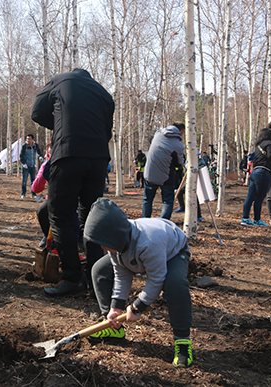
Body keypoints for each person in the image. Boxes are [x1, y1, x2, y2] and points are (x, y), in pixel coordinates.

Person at [31, 68, 114, 297]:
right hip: (98, 159)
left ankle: (72, 278)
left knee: (60, 215)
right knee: (91, 217)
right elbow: (107, 130)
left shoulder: (59, 80)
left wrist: (61, 125)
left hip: (68, 154)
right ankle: (97, 279)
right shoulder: (104, 93)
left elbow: (37, 112)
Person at [84, 198, 193, 368]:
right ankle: (114, 326)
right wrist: (116, 307)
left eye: (103, 243)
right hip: (136, 253)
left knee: (175, 285)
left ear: (114, 235)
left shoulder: (149, 242)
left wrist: (137, 307)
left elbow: (157, 279)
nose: (102, 247)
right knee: (99, 271)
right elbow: (121, 273)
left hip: (173, 252)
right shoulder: (116, 243)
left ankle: (183, 342)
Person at [142, 122, 185, 220]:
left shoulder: (158, 134)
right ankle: (163, 223)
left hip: (150, 173)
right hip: (166, 176)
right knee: (168, 201)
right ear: (181, 132)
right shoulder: (178, 145)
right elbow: (179, 163)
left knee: (147, 199)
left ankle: (144, 221)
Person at [241, 128, 271, 227]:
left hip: (254, 173)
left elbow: (251, 157)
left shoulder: (258, 146)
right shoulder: (270, 144)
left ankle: (245, 218)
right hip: (263, 173)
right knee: (259, 199)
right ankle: (257, 220)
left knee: (250, 197)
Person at [19, 134, 43, 199]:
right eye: (27, 139)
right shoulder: (24, 146)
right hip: (26, 166)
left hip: (32, 166)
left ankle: (33, 194)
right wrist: (24, 163)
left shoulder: (35, 145)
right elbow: (21, 156)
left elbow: (39, 152)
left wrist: (40, 157)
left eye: (29, 139)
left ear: (33, 139)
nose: (28, 140)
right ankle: (23, 194)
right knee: (24, 181)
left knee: (33, 181)